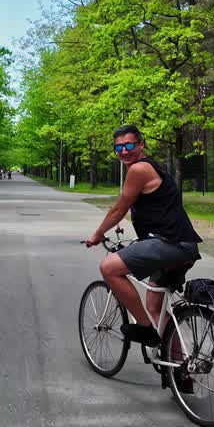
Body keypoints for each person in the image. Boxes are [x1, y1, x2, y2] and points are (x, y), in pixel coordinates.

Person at [83, 124, 201, 348]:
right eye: (118, 147)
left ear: (141, 144)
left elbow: (119, 209)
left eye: (129, 145)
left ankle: (145, 328)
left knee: (109, 268)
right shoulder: (152, 167)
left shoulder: (139, 170)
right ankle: (180, 369)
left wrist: (98, 234)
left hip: (169, 243)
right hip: (184, 246)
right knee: (155, 306)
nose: (124, 151)